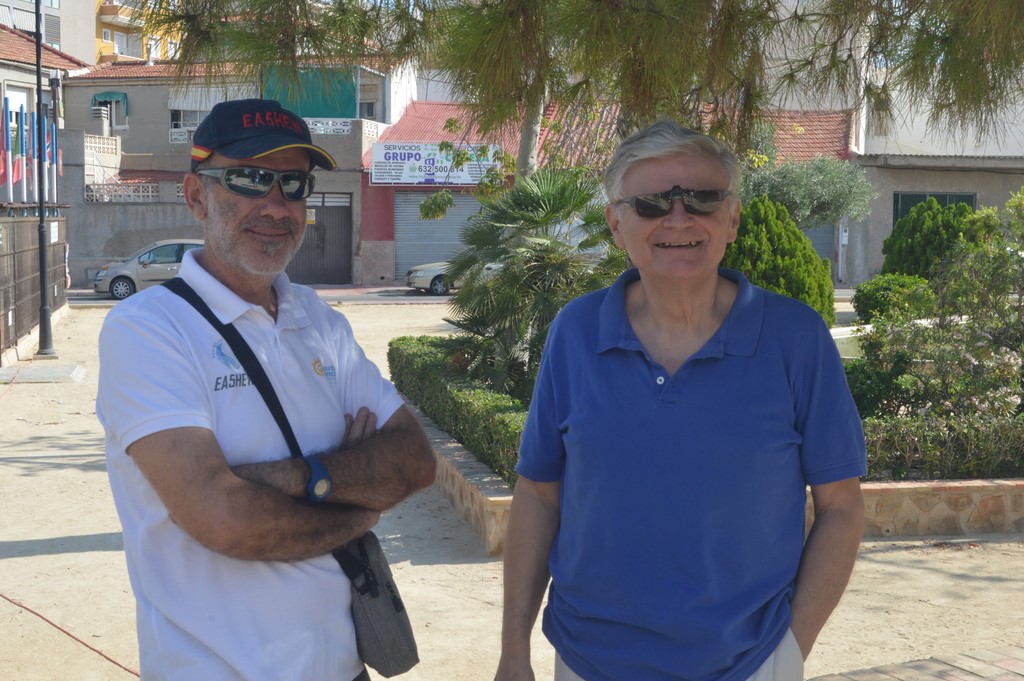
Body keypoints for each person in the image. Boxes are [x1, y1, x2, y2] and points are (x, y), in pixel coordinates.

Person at [494, 120, 866, 681]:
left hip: (749, 663)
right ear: (615, 224)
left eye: (703, 198)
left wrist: (790, 649)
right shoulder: (575, 332)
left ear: (733, 217)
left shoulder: (796, 338)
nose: (679, 218)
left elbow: (841, 506)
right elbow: (539, 494)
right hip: (589, 660)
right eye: (651, 204)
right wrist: (513, 653)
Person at [96, 98, 436, 681]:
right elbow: (226, 519)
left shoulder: (320, 321)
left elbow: (414, 461)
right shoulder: (147, 329)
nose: (275, 206)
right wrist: (357, 506)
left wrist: (298, 479)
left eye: (293, 184)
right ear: (197, 196)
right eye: (249, 178)